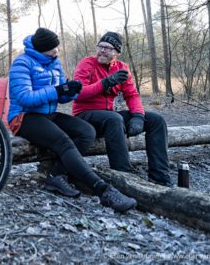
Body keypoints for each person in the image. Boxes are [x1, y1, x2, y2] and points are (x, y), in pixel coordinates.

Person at [8, 27, 137, 213]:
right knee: (63, 141)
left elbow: (62, 97)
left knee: (86, 132)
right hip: (23, 117)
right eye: (53, 48)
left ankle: (56, 175)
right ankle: (103, 190)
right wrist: (58, 90)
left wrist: (70, 91)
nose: (57, 51)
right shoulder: (22, 63)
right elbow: (24, 97)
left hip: (48, 114)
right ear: (42, 49)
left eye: (57, 48)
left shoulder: (54, 62)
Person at [72, 32, 172, 186]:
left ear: (117, 52)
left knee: (155, 120)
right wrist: (105, 83)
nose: (102, 51)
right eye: (100, 46)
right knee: (114, 118)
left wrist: (138, 116)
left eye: (108, 48)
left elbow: (132, 95)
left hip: (109, 117)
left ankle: (160, 178)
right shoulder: (87, 63)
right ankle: (124, 177)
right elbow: (78, 94)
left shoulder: (122, 68)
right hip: (85, 116)